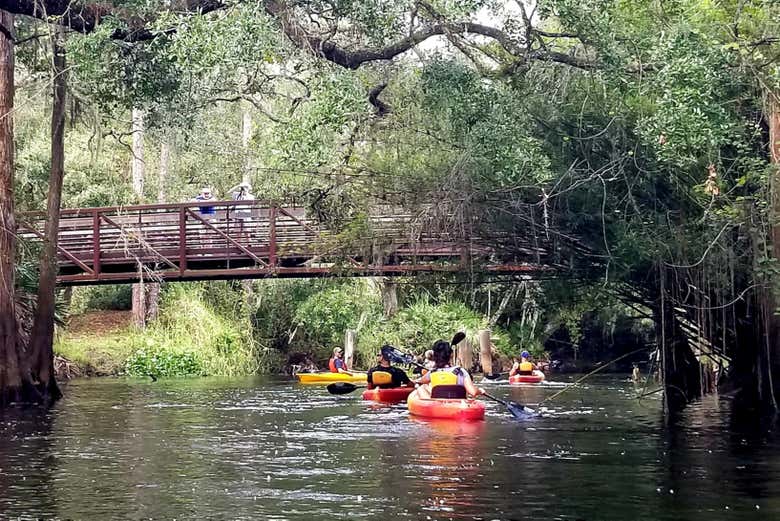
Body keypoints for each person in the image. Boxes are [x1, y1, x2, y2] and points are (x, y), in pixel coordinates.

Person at [414, 340, 484, 399]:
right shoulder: (460, 371)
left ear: (435, 356)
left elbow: (420, 381)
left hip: (437, 406)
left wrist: (416, 383)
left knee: (421, 388)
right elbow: (473, 392)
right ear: (451, 355)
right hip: (458, 405)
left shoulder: (432, 372)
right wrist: (480, 391)